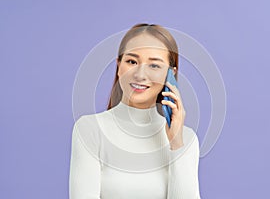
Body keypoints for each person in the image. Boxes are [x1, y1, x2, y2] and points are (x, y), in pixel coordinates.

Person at [69, 23, 201, 199]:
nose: (140, 74)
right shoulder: (90, 129)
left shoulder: (187, 139)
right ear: (119, 66)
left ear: (170, 74)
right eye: (131, 61)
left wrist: (176, 145)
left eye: (154, 65)